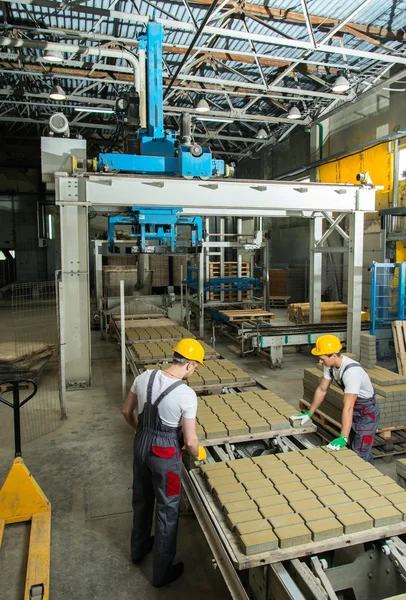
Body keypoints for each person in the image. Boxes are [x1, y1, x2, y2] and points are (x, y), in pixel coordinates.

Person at [122, 338, 206, 587]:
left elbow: (126, 412)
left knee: (142, 498)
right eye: (196, 367)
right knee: (168, 510)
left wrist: (142, 433)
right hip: (165, 455)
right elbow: (190, 441)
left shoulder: (144, 377)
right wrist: (198, 453)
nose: (194, 371)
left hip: (140, 446)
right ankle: (161, 572)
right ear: (190, 365)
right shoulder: (185, 395)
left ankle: (138, 550)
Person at [291, 334, 380, 462]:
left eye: (322, 358)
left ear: (333, 355)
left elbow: (348, 406)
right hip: (355, 408)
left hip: (366, 412)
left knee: (361, 452)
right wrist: (309, 413)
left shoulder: (351, 372)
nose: (320, 362)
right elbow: (322, 390)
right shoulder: (330, 365)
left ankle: (368, 478)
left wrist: (343, 437)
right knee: (354, 445)